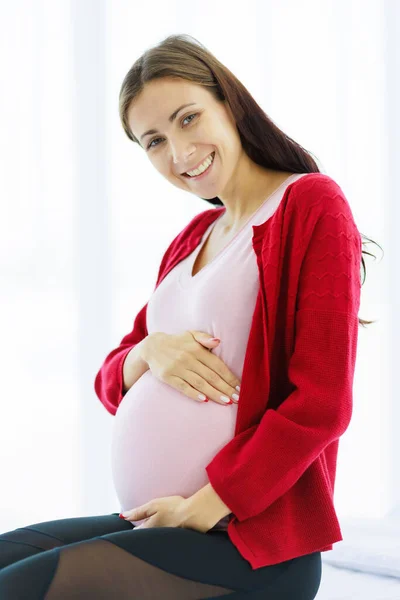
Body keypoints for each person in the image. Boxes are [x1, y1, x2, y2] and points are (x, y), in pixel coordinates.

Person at [0, 33, 381, 599]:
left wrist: (201, 509)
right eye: (153, 140)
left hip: (242, 539)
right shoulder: (191, 240)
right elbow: (111, 381)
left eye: (187, 118)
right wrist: (148, 352)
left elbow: (321, 404)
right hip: (161, 522)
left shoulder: (309, 204)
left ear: (229, 103)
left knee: (24, 588)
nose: (178, 152)